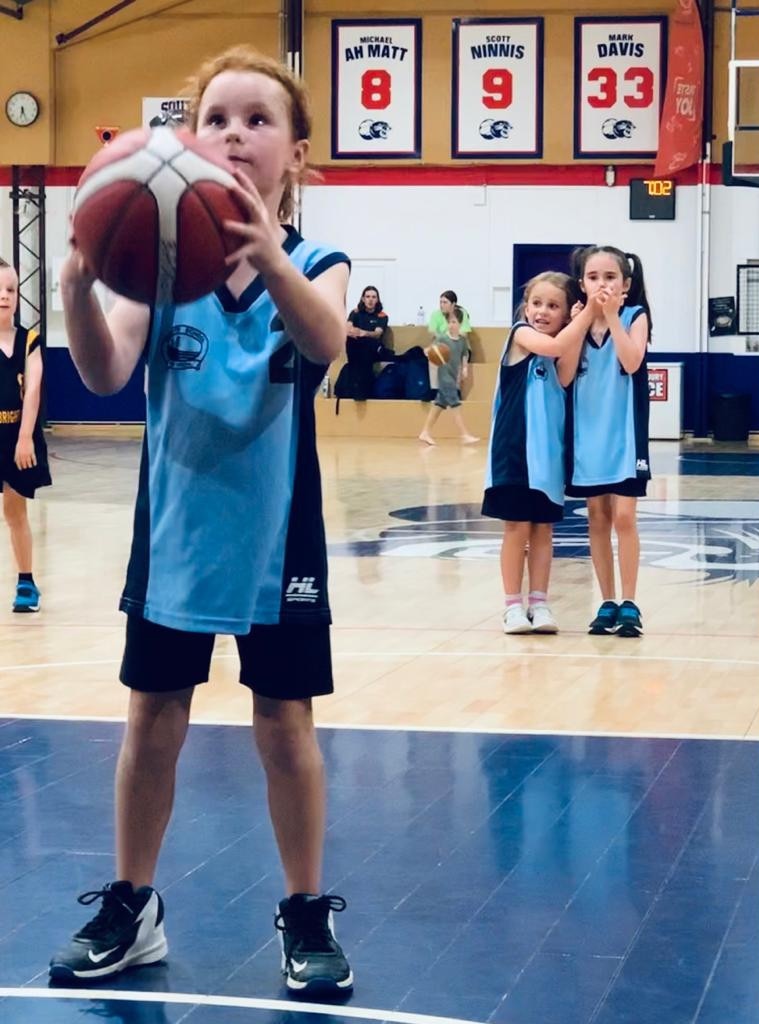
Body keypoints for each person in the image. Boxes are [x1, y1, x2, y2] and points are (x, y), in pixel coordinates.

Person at [51, 46, 353, 995]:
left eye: (258, 120)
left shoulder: (315, 261)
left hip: (279, 532)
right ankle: (134, 905)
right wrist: (75, 289)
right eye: (214, 118)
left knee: (283, 723)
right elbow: (104, 374)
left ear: (297, 153)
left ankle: (304, 912)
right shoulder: (159, 267)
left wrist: (265, 252)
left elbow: (327, 340)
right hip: (176, 526)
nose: (233, 133)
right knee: (153, 718)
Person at [482, 272, 595, 634]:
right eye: (536, 303)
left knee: (543, 529)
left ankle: (540, 603)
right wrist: (587, 314)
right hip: (513, 451)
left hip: (546, 457)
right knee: (516, 528)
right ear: (525, 306)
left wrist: (581, 321)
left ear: (564, 315)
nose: (542, 311)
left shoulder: (562, 343)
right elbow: (554, 347)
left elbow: (564, 373)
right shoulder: (520, 334)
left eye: (553, 306)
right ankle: (512, 606)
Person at [557, 245, 652, 638]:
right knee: (596, 518)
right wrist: (578, 326)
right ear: (582, 284)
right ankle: (607, 600)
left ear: (625, 285)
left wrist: (611, 316)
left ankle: (630, 602)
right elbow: (564, 376)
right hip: (587, 435)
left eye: (610, 278)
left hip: (624, 434)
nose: (601, 284)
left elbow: (631, 362)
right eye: (593, 277)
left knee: (625, 517)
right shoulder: (575, 322)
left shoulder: (634, 316)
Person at [0, 259, 51, 613]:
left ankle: (26, 583)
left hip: (16, 434)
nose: (4, 296)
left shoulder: (29, 340)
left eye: (11, 289)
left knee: (14, 509)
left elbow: (32, 391)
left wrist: (25, 437)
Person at [418, 307, 478, 445]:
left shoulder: (462, 341)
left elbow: (464, 355)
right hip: (444, 377)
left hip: (453, 375)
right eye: (450, 322)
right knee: (455, 405)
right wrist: (428, 351)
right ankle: (464, 434)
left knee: (439, 405)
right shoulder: (442, 338)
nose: (451, 325)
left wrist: (464, 369)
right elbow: (431, 349)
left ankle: (425, 432)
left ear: (460, 324)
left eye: (454, 322)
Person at [343, 285, 391, 399]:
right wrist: (355, 333)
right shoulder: (355, 313)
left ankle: (362, 391)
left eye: (374, 297)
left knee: (366, 344)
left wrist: (363, 333)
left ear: (377, 300)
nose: (370, 300)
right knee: (352, 342)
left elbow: (377, 333)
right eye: (368, 296)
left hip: (373, 348)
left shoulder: (382, 316)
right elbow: (347, 328)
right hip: (357, 347)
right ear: (363, 299)